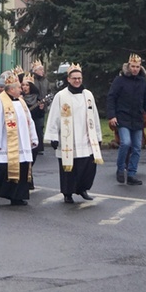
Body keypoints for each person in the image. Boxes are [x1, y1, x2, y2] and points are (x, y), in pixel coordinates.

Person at [44, 64, 103, 203]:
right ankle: (67, 193)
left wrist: (98, 136)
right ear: (68, 79)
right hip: (68, 139)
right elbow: (54, 116)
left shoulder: (88, 95)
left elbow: (94, 116)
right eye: (74, 78)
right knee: (68, 168)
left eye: (79, 78)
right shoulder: (61, 96)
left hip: (86, 137)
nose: (77, 81)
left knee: (87, 166)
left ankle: (82, 189)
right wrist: (53, 137)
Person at [0, 73, 38, 206]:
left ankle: (17, 197)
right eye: (19, 87)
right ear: (11, 89)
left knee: (22, 168)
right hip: (6, 143)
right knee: (3, 168)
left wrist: (32, 137)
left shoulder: (21, 102)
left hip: (22, 142)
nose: (21, 89)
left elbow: (29, 121)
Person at [106, 54, 146, 186]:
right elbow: (111, 98)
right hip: (123, 118)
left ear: (140, 68)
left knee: (137, 147)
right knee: (126, 143)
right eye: (133, 66)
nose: (135, 69)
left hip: (137, 119)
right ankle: (120, 168)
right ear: (129, 66)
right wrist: (112, 115)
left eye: (137, 67)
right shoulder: (120, 80)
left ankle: (132, 173)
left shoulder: (142, 82)